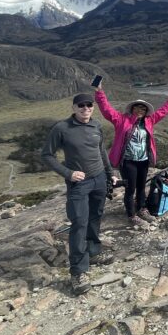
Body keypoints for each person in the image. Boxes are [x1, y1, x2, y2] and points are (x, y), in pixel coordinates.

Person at [42, 92, 120, 296]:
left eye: (89, 105)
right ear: (74, 108)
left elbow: (101, 150)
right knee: (79, 223)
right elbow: (47, 155)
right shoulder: (62, 128)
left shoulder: (96, 125)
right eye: (81, 106)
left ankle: (93, 253)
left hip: (100, 180)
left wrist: (110, 173)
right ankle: (78, 271)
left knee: (95, 218)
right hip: (79, 184)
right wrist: (68, 173)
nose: (86, 109)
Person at [94, 82, 168, 228]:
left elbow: (163, 111)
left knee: (141, 187)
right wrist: (99, 92)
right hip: (128, 161)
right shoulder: (121, 120)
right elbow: (106, 109)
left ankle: (142, 208)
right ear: (132, 108)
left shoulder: (149, 121)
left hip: (143, 161)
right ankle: (132, 215)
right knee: (130, 189)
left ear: (146, 111)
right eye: (137, 107)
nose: (140, 110)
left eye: (143, 108)